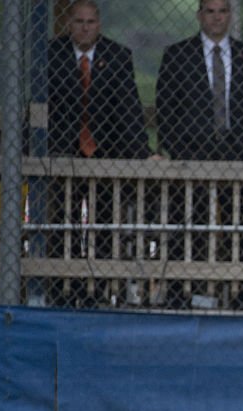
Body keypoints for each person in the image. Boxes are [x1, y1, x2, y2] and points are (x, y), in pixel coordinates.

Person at [155, 0, 243, 309]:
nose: (216, 17)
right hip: (193, 157)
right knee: (188, 227)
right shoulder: (178, 56)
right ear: (199, 15)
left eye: (222, 11)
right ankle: (182, 292)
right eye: (210, 11)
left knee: (242, 227)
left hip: (241, 158)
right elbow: (166, 113)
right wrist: (183, 153)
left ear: (230, 16)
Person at [45, 0, 152, 306]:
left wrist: (142, 152)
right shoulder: (52, 55)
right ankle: (61, 288)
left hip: (104, 152)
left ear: (99, 24)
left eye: (90, 21)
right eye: (79, 21)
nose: (85, 27)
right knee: (61, 222)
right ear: (69, 24)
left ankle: (99, 288)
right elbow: (43, 108)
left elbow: (129, 110)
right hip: (63, 151)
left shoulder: (117, 56)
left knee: (104, 221)